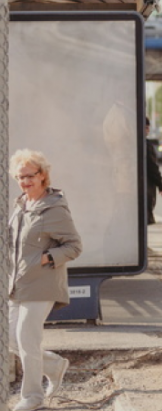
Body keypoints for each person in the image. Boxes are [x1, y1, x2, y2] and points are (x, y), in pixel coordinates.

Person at [8, 149, 83, 411]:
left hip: (43, 284)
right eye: (20, 177)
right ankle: (53, 366)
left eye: (30, 176)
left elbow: (74, 246)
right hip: (17, 284)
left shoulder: (54, 209)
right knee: (10, 338)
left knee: (27, 339)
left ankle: (32, 397)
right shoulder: (21, 205)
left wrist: (46, 258)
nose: (25, 182)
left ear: (43, 176)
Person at [145, 117, 162, 225]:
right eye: (146, 128)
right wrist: (160, 185)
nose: (147, 130)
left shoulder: (129, 143)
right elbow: (153, 168)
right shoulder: (146, 146)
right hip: (146, 189)